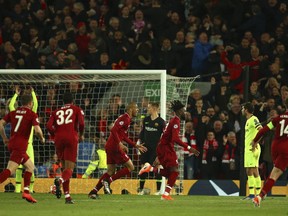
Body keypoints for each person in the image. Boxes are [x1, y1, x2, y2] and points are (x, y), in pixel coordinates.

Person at [139, 100, 200, 200]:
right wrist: (189, 148)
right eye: (184, 110)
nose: (185, 112)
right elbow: (175, 139)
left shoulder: (174, 121)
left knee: (170, 173)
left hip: (163, 147)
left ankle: (150, 169)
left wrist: (159, 154)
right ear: (179, 111)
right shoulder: (175, 121)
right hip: (166, 148)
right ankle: (165, 194)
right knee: (175, 172)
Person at [88, 102, 147, 199]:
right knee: (130, 167)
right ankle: (108, 181)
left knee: (110, 171)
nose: (137, 110)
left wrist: (135, 145)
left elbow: (123, 135)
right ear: (130, 109)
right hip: (115, 147)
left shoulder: (126, 119)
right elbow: (114, 130)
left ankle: (93, 192)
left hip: (110, 146)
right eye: (136, 108)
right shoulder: (125, 118)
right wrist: (119, 143)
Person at [0, 94, 45, 203]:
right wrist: (42, 138)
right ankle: (26, 192)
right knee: (10, 171)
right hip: (20, 146)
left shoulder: (13, 112)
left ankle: (26, 192)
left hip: (12, 143)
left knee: (30, 167)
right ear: (30, 103)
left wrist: (5, 138)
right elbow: (38, 130)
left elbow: (0, 123)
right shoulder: (31, 114)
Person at [46, 92, 85, 204]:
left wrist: (55, 134)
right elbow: (81, 124)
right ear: (72, 101)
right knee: (69, 169)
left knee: (64, 168)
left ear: (63, 102)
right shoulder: (76, 109)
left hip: (58, 139)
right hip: (71, 137)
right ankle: (60, 180)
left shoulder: (56, 111)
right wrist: (80, 134)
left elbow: (48, 126)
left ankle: (67, 197)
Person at [252, 97, 288, 207]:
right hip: (286, 148)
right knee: (275, 174)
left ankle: (260, 196)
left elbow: (264, 129)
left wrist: (254, 140)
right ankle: (260, 196)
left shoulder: (277, 119)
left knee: (274, 173)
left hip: (275, 147)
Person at [9, 85, 38, 193]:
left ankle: (18, 190)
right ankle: (29, 189)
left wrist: (16, 94)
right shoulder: (31, 114)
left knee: (19, 168)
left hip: (18, 143)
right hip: (27, 144)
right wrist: (33, 93)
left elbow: (11, 105)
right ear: (30, 104)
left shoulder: (15, 113)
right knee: (30, 168)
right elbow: (36, 105)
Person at [138, 102, 165, 195]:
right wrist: (140, 143)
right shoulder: (146, 120)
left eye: (149, 108)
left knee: (157, 167)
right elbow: (142, 132)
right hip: (145, 148)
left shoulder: (161, 122)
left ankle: (158, 190)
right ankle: (141, 190)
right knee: (144, 167)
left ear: (154, 108)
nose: (147, 109)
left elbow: (164, 137)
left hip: (155, 149)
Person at [242, 102, 262, 200]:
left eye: (243, 108)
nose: (242, 110)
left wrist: (255, 142)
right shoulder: (248, 120)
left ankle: (253, 194)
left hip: (252, 149)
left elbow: (261, 130)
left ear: (246, 109)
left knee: (251, 170)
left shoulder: (254, 119)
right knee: (252, 170)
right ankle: (257, 194)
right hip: (249, 149)